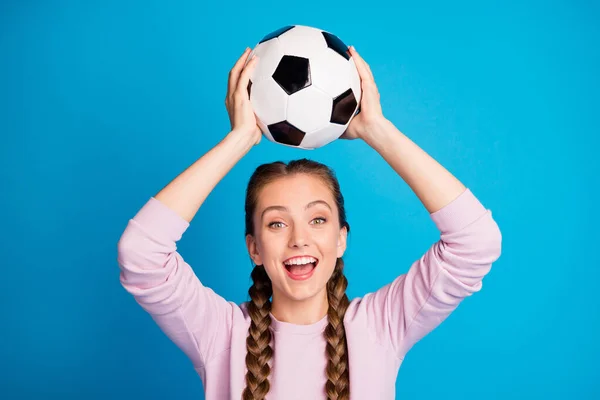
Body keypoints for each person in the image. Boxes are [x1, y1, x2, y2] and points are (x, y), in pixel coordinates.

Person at [117, 46, 502, 400]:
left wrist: (378, 131)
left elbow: (475, 242)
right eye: (276, 224)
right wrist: (238, 140)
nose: (300, 239)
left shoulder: (378, 327)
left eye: (317, 219)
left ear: (341, 239)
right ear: (253, 247)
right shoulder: (221, 334)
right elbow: (141, 255)